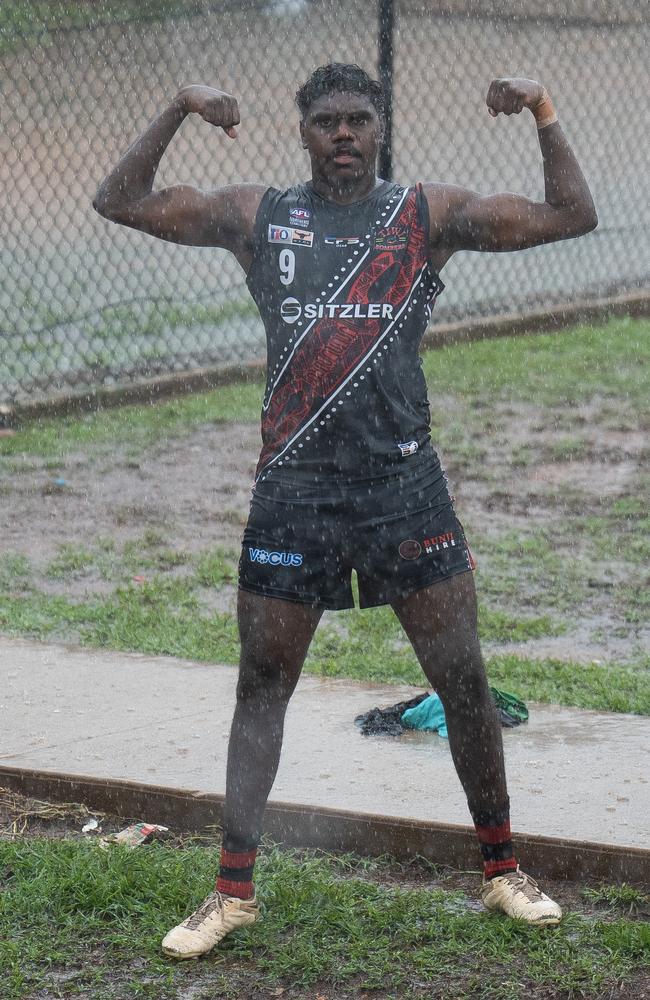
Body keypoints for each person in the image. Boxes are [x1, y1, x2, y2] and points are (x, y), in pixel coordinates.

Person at [94, 63, 597, 959]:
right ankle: (232, 891)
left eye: (358, 120)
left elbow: (572, 216)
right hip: (294, 488)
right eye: (326, 121)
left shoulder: (424, 217)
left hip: (405, 486)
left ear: (380, 128)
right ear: (303, 132)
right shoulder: (259, 216)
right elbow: (119, 200)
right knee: (262, 685)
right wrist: (179, 103)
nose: (343, 136)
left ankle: (501, 870)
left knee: (465, 682)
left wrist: (543, 110)